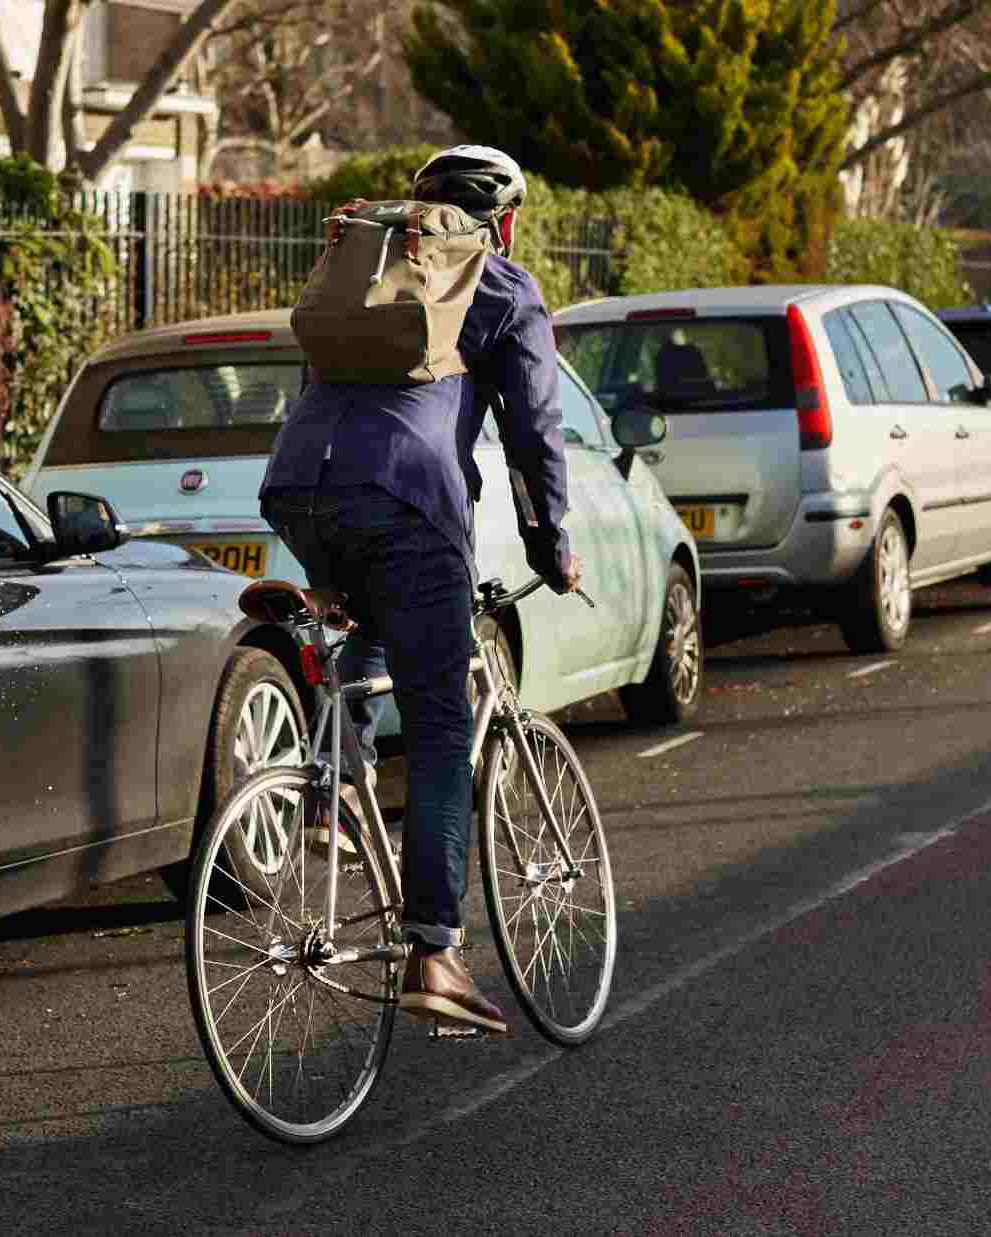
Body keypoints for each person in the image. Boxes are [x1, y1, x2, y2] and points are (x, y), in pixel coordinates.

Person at [259, 145, 580, 1035]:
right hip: (409, 498)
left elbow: (318, 381)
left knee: (372, 616)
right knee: (443, 726)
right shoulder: (502, 285)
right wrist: (554, 543)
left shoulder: (368, 265)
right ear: (505, 220)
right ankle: (436, 950)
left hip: (299, 488)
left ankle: (327, 792)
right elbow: (537, 430)